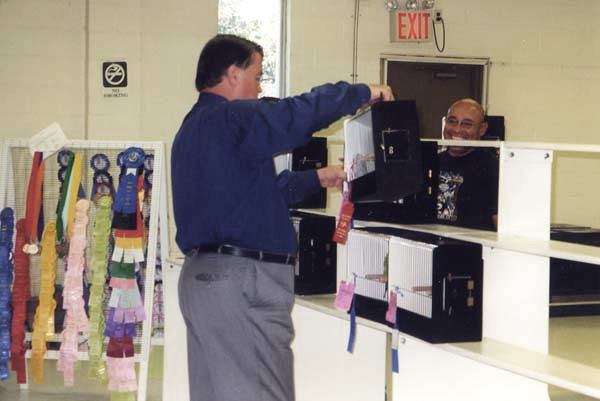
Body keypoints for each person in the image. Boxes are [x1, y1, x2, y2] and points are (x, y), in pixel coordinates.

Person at [171, 34, 393, 401]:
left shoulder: (194, 127)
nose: (259, 88)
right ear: (232, 73)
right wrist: (359, 93)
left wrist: (317, 178)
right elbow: (293, 114)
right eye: (256, 76)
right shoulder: (231, 117)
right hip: (241, 282)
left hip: (203, 281)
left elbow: (244, 198)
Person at [436, 98, 499, 231]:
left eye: (467, 124)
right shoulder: (431, 162)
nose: (457, 129)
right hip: (430, 248)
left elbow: (501, 226)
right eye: (452, 121)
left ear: (482, 129)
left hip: (472, 250)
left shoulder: (494, 168)